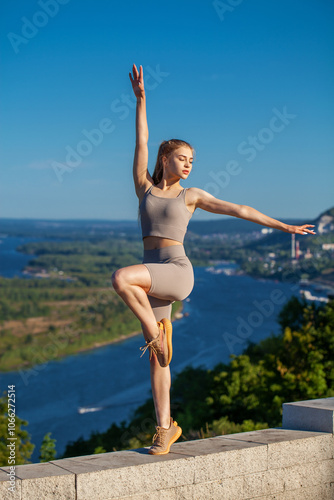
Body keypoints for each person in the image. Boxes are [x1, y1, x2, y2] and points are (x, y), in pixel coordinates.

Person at [111, 63, 316, 455]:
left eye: (192, 160)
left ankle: (156, 336)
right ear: (166, 158)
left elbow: (240, 209)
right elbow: (141, 139)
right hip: (153, 274)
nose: (189, 164)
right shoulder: (145, 187)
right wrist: (141, 101)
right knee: (158, 363)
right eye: (183, 157)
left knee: (122, 278)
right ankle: (166, 428)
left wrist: (285, 227)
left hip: (175, 271)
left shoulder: (192, 195)